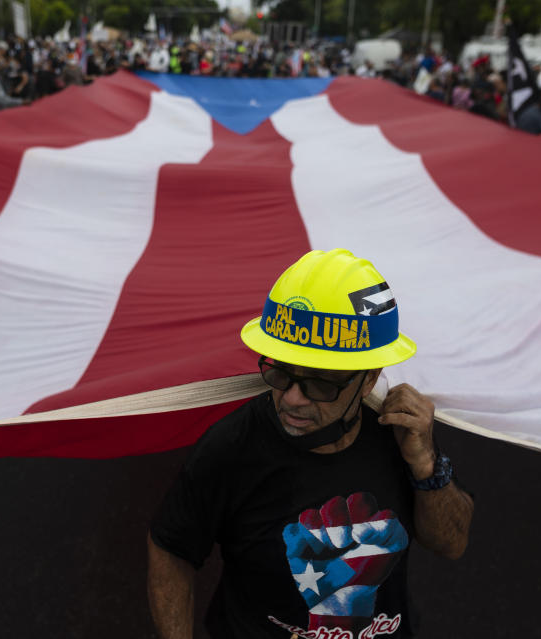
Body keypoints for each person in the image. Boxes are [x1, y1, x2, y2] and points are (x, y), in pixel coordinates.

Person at [147, 249, 474, 639]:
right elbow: (171, 548)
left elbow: (451, 544)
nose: (293, 399)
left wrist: (425, 465)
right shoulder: (232, 447)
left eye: (320, 382)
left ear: (369, 379)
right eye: (282, 373)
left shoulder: (400, 435)